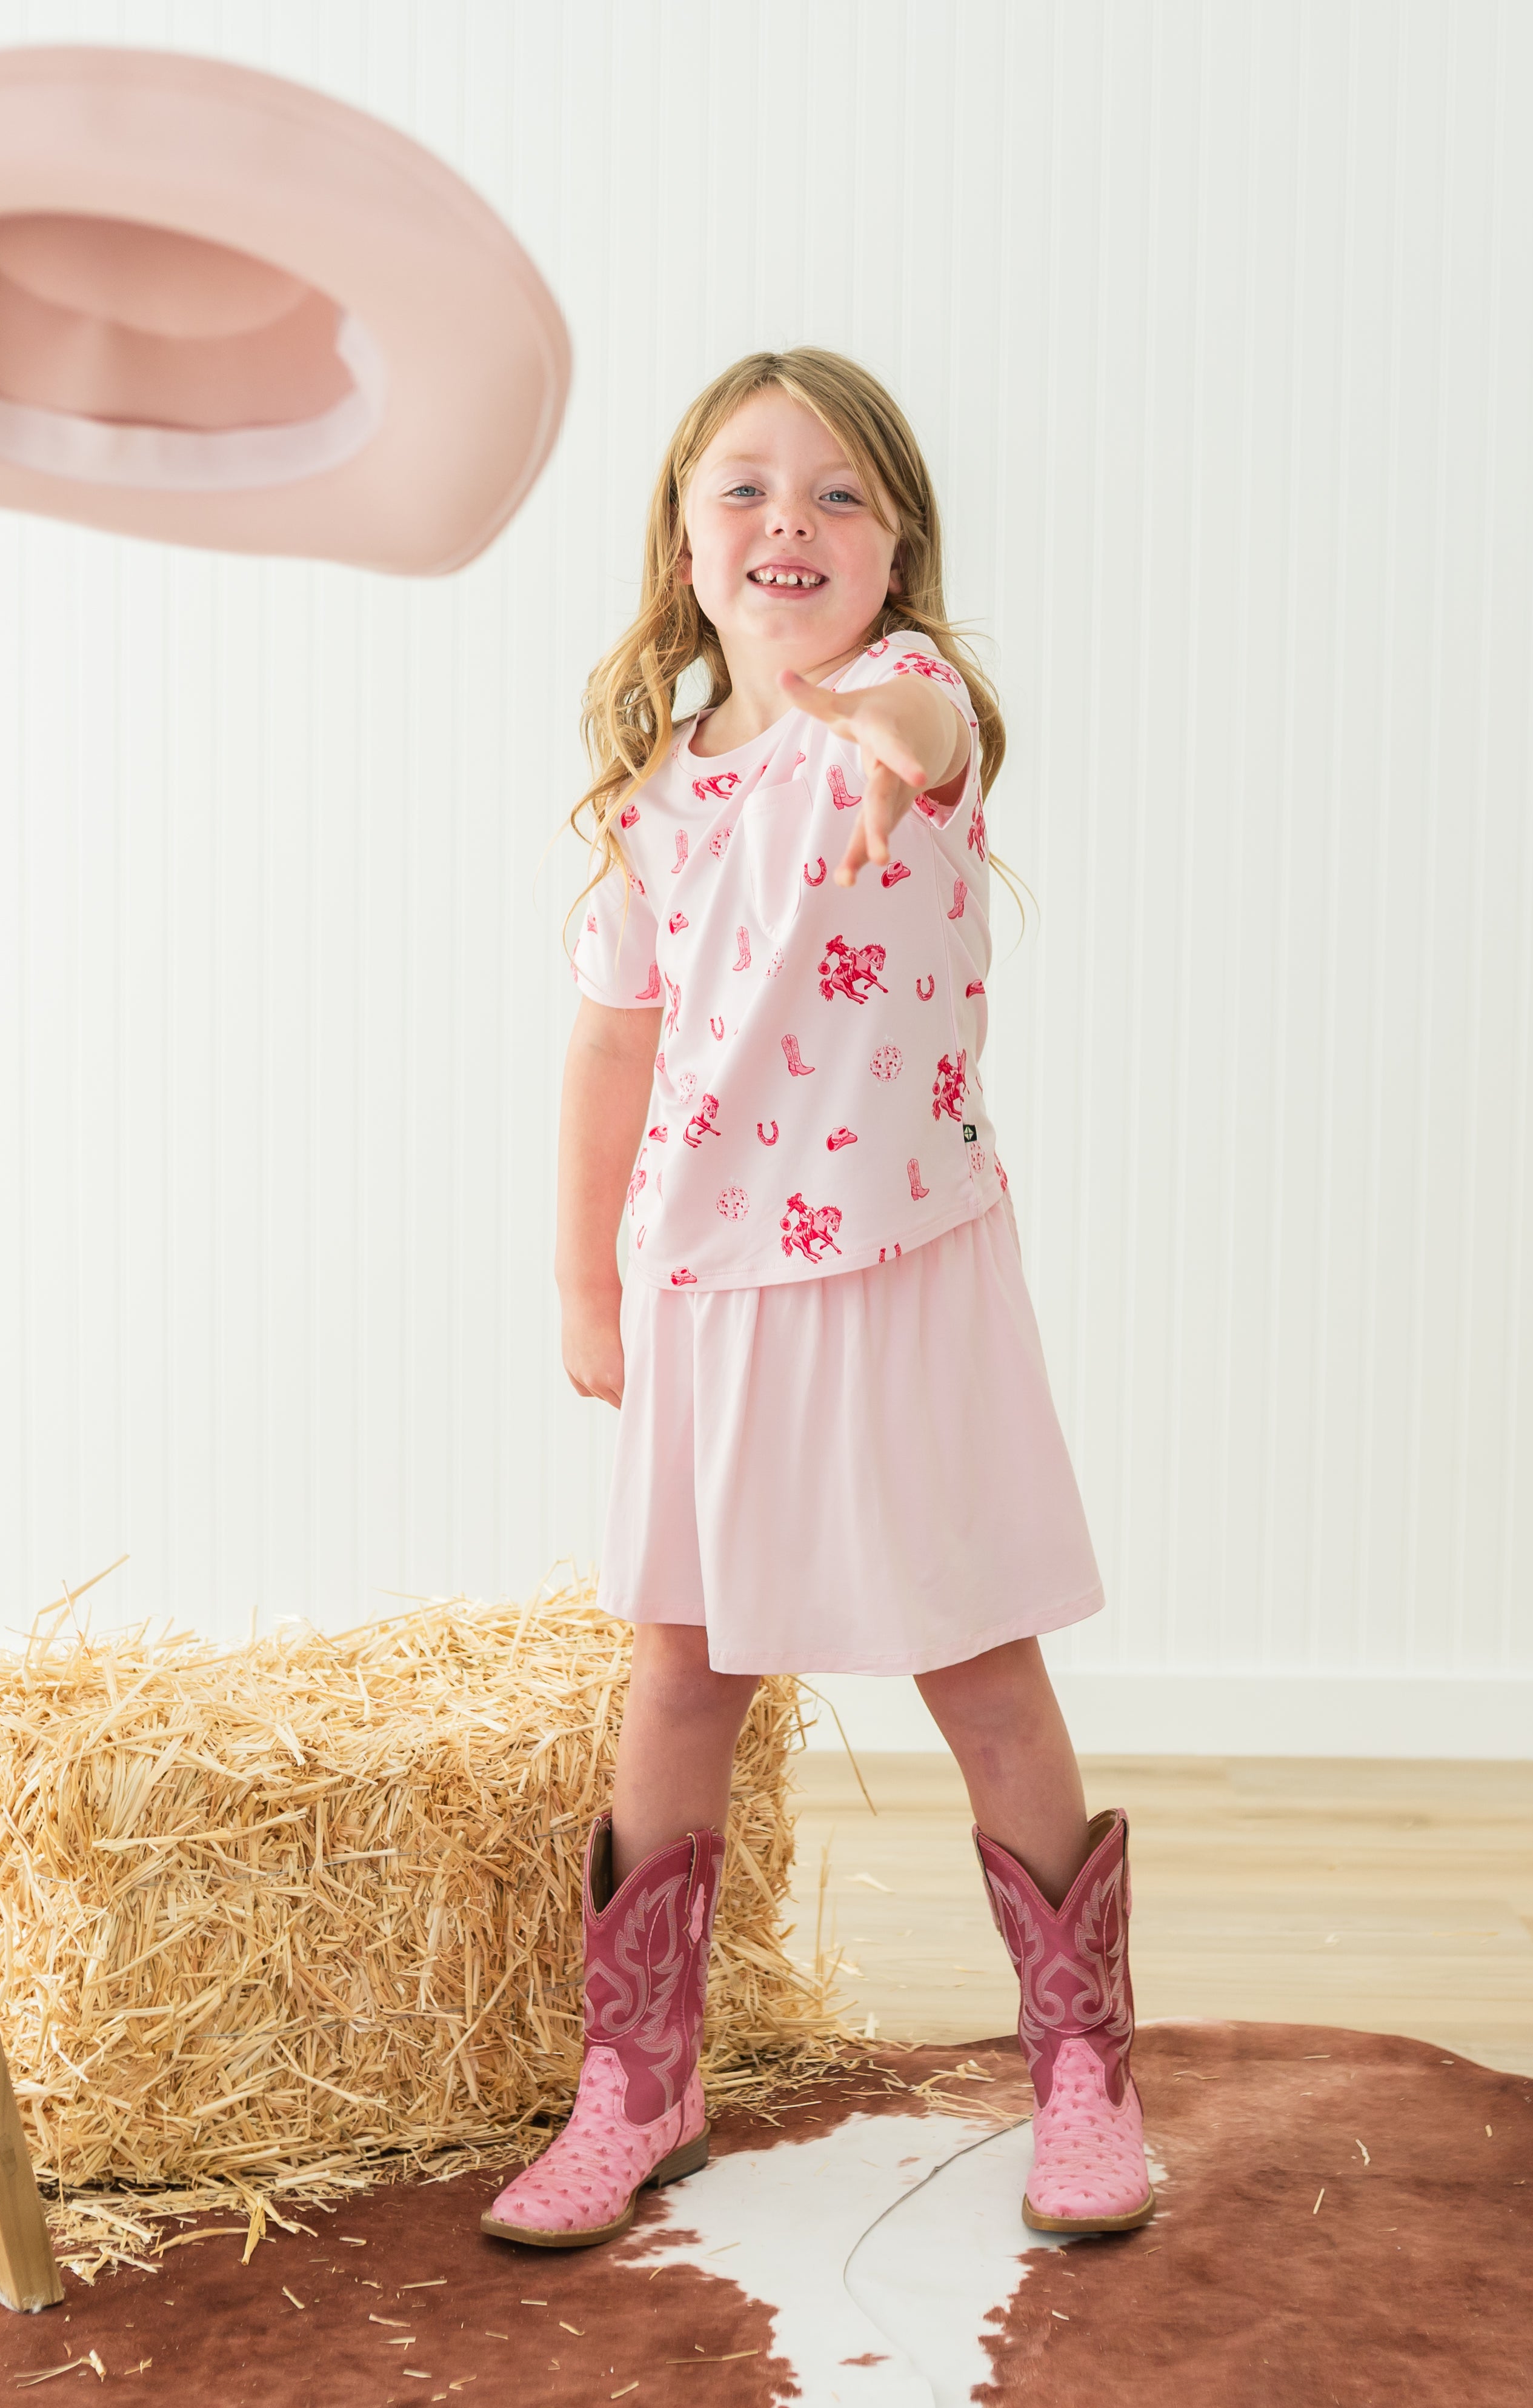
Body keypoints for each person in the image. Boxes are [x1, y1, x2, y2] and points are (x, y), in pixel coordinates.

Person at [481, 349, 1148, 2248]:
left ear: (897, 551)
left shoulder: (915, 705)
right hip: (711, 1286)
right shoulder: (656, 798)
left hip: (905, 1260)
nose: (794, 522)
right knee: (682, 1677)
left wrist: (873, 740)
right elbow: (611, 1052)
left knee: (981, 1669)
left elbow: (923, 736)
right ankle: (639, 2082)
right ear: (686, 545)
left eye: (840, 493)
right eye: (749, 490)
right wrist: (585, 1283)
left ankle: (1084, 2077)